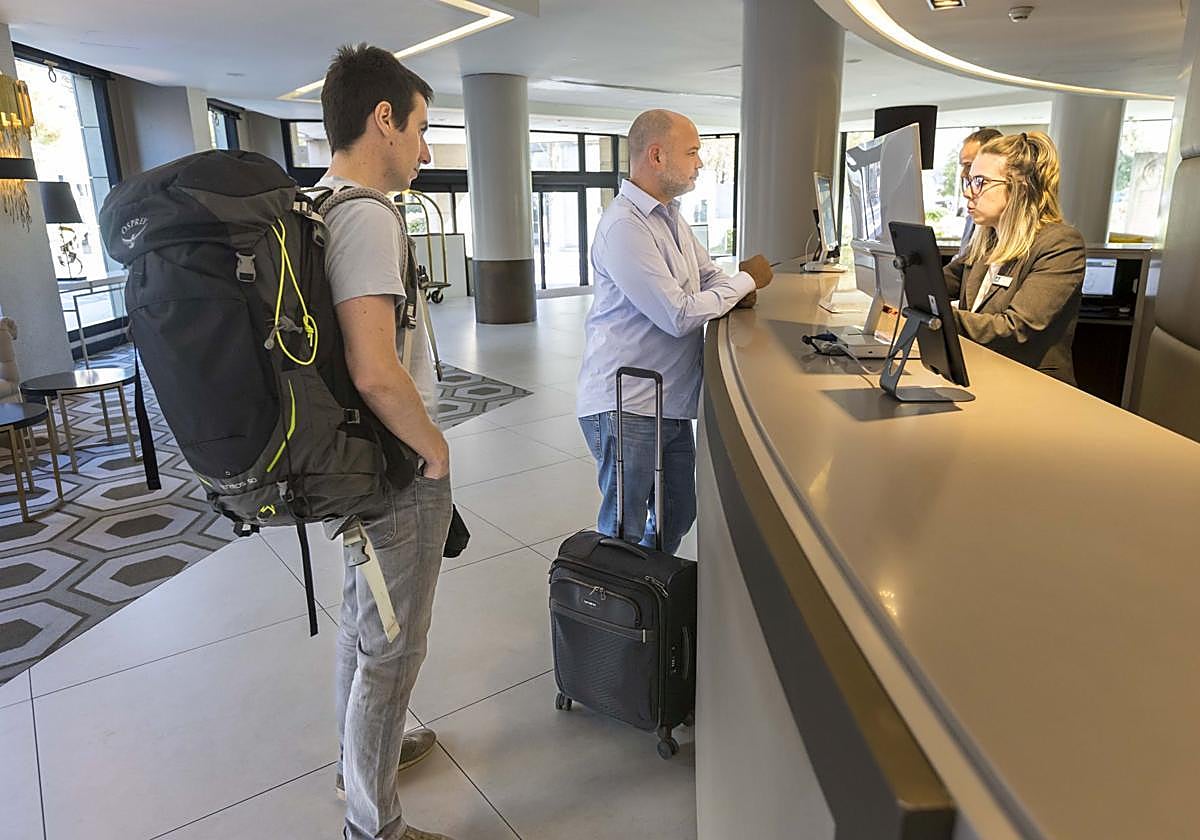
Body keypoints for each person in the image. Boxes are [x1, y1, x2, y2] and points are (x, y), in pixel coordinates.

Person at [317, 44, 454, 840]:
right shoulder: (366, 215)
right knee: (394, 650)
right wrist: (433, 449)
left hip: (350, 458)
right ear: (384, 120)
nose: (425, 150)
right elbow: (375, 369)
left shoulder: (321, 203)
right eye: (421, 129)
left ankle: (358, 762)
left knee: (365, 622)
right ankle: (376, 827)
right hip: (391, 464)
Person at [576, 109, 772, 554]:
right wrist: (747, 281)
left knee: (678, 511)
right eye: (692, 152)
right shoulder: (625, 226)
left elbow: (708, 276)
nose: (699, 163)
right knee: (623, 527)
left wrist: (732, 287)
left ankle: (647, 583)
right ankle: (614, 593)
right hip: (627, 403)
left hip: (669, 400)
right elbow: (678, 314)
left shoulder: (669, 217)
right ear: (657, 156)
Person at [946, 130, 1086, 384]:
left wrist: (939, 317)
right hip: (980, 372)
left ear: (1019, 188)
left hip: (1033, 387)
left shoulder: (1061, 245)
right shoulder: (988, 239)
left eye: (980, 182)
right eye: (969, 181)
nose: (968, 192)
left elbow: (1015, 328)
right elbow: (938, 282)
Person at [957, 127, 1002, 257]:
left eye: (969, 165)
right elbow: (964, 259)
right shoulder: (974, 214)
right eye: (963, 166)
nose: (963, 174)